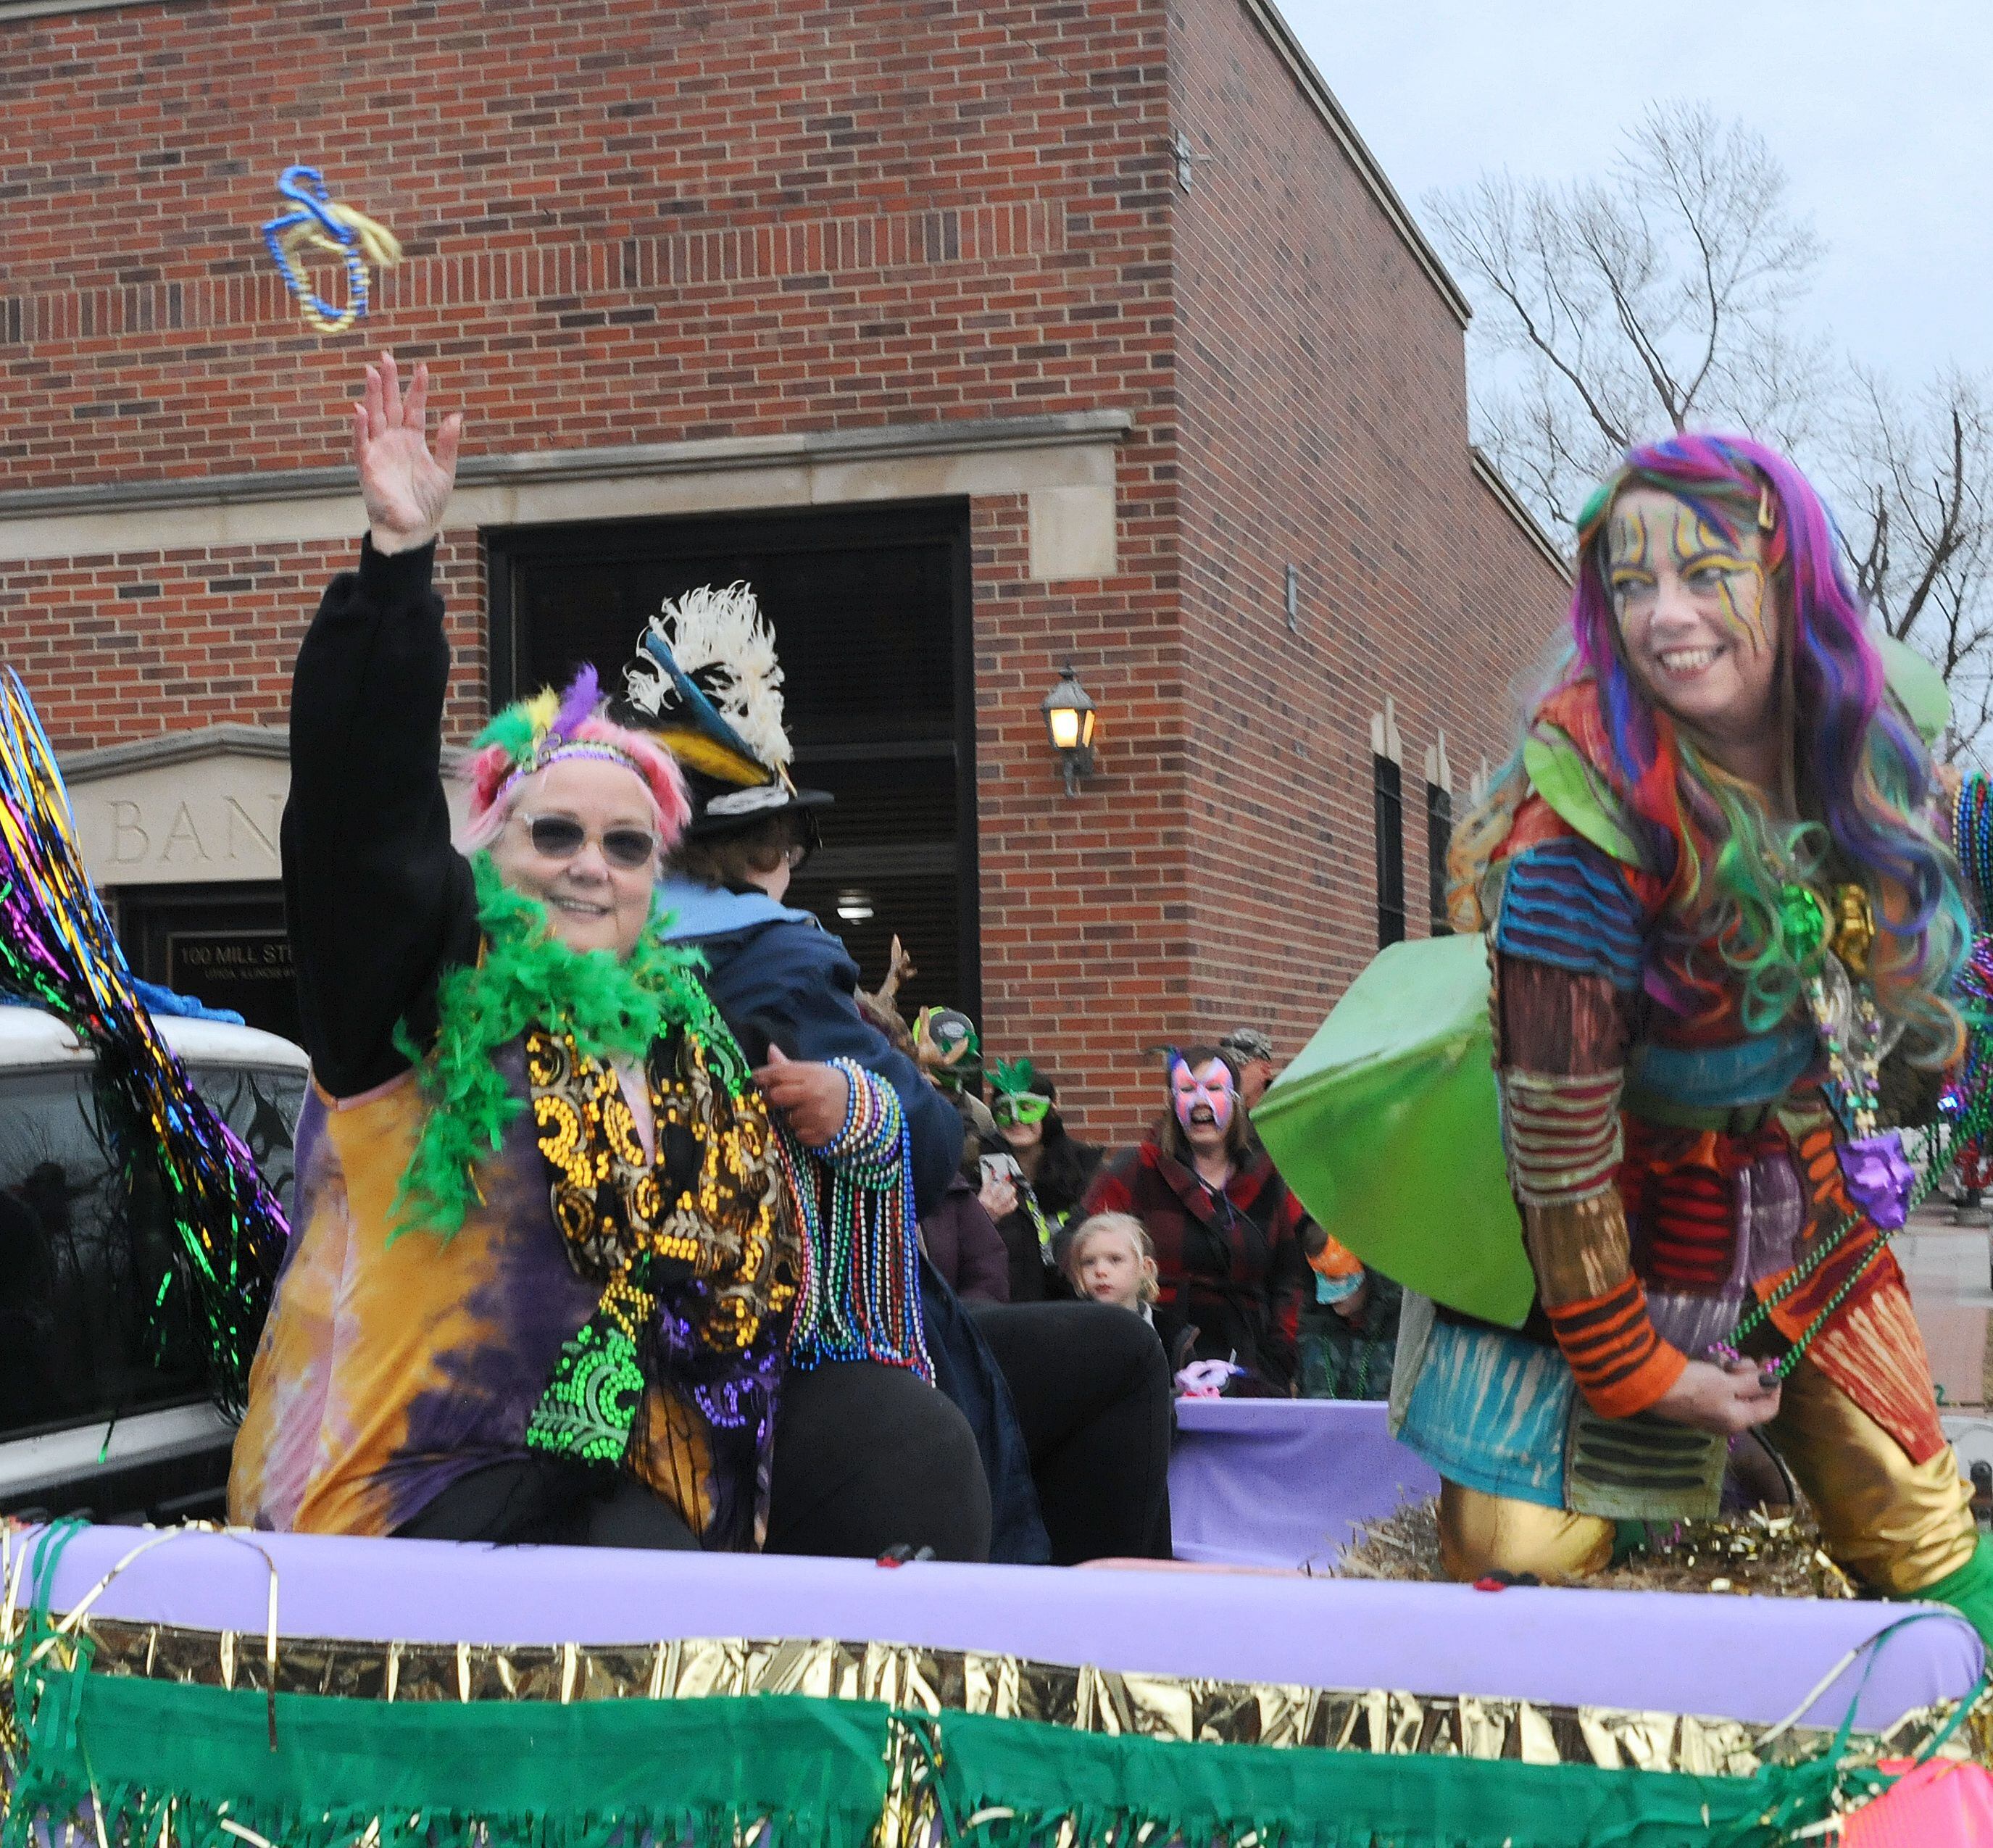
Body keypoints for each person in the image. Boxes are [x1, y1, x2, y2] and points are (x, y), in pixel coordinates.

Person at [229, 356, 997, 1562]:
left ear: (658, 876)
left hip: (638, 1450)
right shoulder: (419, 984)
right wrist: (398, 567)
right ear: (493, 848)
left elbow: (779, 1247)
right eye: (557, 834)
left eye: (625, 844)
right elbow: (358, 822)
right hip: (415, 1488)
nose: (592, 865)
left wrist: (857, 1112)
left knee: (912, 1445)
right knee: (643, 1562)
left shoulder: (685, 1027)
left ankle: (898, 1730)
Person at [1405, 432, 1992, 1639]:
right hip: (1589, 1234)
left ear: (1787, 584)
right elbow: (1556, 1156)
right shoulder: (1574, 829)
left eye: (1705, 575)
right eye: (1631, 586)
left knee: (1922, 1534)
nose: (1665, 618)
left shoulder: (1852, 761)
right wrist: (1638, 1371)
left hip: (1789, 1209)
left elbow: (1904, 1018)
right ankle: (1647, 1494)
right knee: (1510, 1553)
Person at [624, 580, 1172, 1565]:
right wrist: (882, 1100)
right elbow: (926, 1151)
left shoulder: (606, 960)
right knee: (1121, 1353)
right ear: (764, 851)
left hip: (676, 1362)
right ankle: (1097, 1635)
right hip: (819, 1344)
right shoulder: (776, 960)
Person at [1083, 1046, 1363, 1394]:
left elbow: (1289, 1277)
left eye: (1214, 1089)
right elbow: (1079, 1241)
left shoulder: (1269, 1176)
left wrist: (1279, 1355)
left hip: (1249, 1364)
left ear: (1235, 1101)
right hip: (1156, 1357)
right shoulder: (1138, 1168)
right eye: (1188, 1090)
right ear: (1173, 1102)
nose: (1201, 1100)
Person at [983, 1058, 1102, 1302]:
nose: (1016, 1119)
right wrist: (981, 1216)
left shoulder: (1085, 1169)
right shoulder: (979, 1172)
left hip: (1078, 1309)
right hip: (1012, 1310)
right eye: (1005, 1110)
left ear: (1051, 1109)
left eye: (1027, 1108)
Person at [1063, 1212, 1161, 1322]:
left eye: (1115, 1259)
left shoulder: (1171, 1332)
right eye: (1089, 1262)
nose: (1100, 1271)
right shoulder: (1071, 1328)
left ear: (1144, 1268)